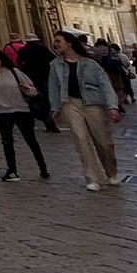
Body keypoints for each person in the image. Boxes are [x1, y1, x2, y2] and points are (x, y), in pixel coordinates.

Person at [48, 31, 124, 191]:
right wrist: (55, 109)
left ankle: (111, 172)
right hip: (69, 103)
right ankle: (93, 177)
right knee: (81, 139)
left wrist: (112, 106)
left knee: (103, 141)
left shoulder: (90, 63)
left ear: (69, 43)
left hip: (93, 103)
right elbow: (53, 87)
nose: (55, 44)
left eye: (58, 41)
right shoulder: (55, 65)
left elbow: (105, 85)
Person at [0, 46, 49, 182]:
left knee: (31, 140)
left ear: (1, 59)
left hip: (22, 110)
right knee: (7, 142)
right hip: (3, 112)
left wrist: (28, 90)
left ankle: (43, 168)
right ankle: (12, 170)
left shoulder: (14, 72)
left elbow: (33, 90)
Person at [16, 35, 58, 132]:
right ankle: (49, 120)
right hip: (44, 77)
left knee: (33, 100)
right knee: (46, 99)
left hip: (30, 78)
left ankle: (42, 119)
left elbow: (19, 63)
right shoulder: (43, 48)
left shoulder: (23, 50)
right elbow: (53, 59)